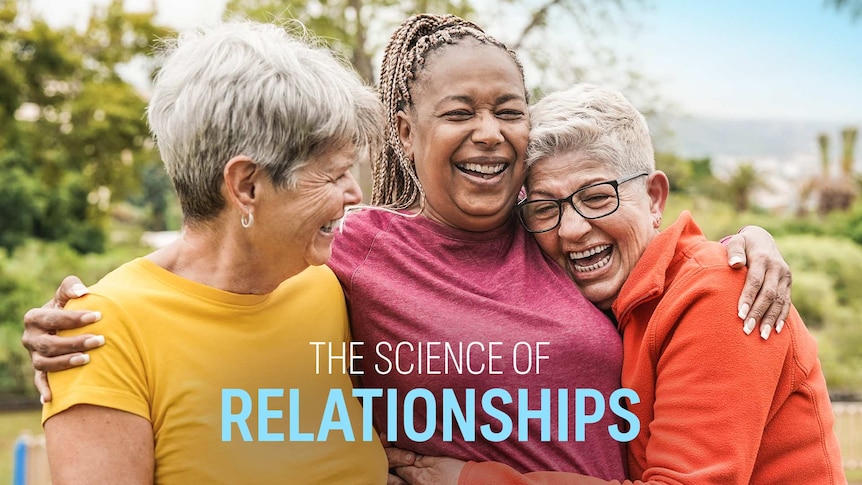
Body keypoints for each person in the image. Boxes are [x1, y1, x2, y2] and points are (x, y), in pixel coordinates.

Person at [24, 14, 792, 481]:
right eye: (459, 111)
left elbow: (648, 259)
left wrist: (744, 246)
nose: (490, 132)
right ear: (403, 132)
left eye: (509, 111)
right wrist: (76, 322)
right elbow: (218, 266)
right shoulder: (348, 254)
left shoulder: (555, 232)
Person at [390, 84, 846, 485]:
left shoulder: (720, 294)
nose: (571, 229)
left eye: (596, 197)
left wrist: (469, 479)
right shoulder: (606, 296)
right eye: (547, 208)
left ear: (653, 198)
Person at [37, 21, 388, 484]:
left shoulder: (327, 282)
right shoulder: (103, 331)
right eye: (334, 174)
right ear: (246, 186)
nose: (354, 194)